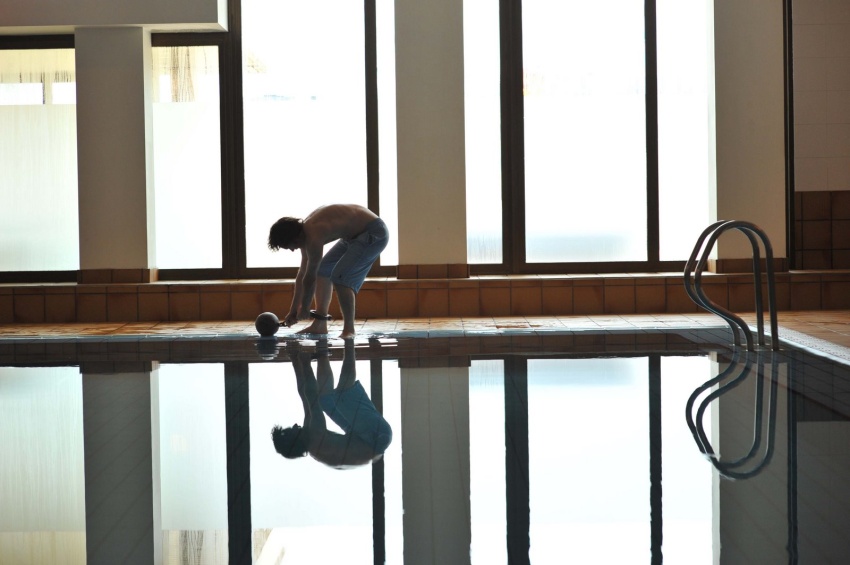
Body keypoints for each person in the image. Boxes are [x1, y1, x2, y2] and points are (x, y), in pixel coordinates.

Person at [268, 204, 388, 339]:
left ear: (294, 238)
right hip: (352, 237)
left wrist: (306, 307)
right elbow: (302, 275)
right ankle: (320, 325)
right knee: (323, 270)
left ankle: (349, 330)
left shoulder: (314, 234)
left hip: (374, 232)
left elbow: (310, 277)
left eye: (289, 246)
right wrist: (293, 310)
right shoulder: (304, 233)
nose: (292, 250)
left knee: (340, 277)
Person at [271, 340, 392, 469]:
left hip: (363, 439)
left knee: (325, 400)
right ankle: (349, 340)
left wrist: (295, 359)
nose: (295, 425)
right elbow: (311, 396)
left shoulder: (309, 438)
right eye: (291, 429)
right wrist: (305, 364)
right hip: (376, 437)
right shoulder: (316, 439)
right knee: (343, 392)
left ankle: (323, 350)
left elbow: (304, 395)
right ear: (294, 439)